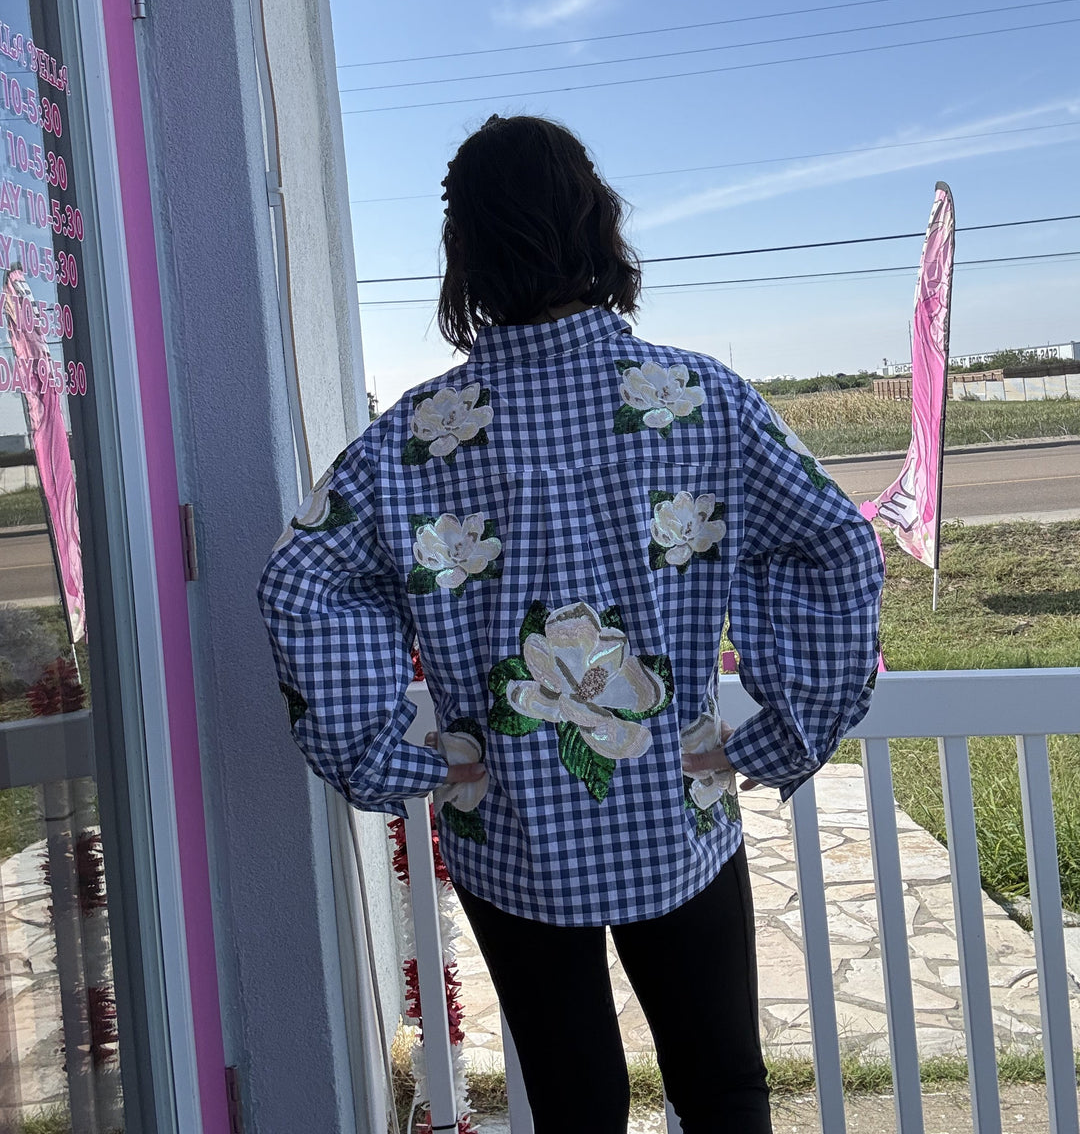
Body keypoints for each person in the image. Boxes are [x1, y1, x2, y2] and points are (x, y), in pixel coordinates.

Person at [258, 114, 883, 1134]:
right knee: (724, 1088)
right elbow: (836, 547)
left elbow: (302, 585)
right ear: (599, 228)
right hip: (679, 814)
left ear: (467, 256)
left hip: (509, 829)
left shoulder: (417, 438)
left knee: (574, 1100)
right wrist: (783, 728)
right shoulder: (702, 401)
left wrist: (399, 757)